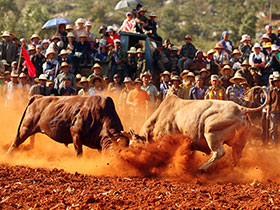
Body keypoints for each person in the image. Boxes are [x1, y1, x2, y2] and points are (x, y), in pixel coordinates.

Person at [267, 75, 280, 146]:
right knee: (273, 128)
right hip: (273, 111)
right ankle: (274, 143)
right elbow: (268, 103)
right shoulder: (271, 91)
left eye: (278, 81)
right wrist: (267, 113)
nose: (277, 83)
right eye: (276, 82)